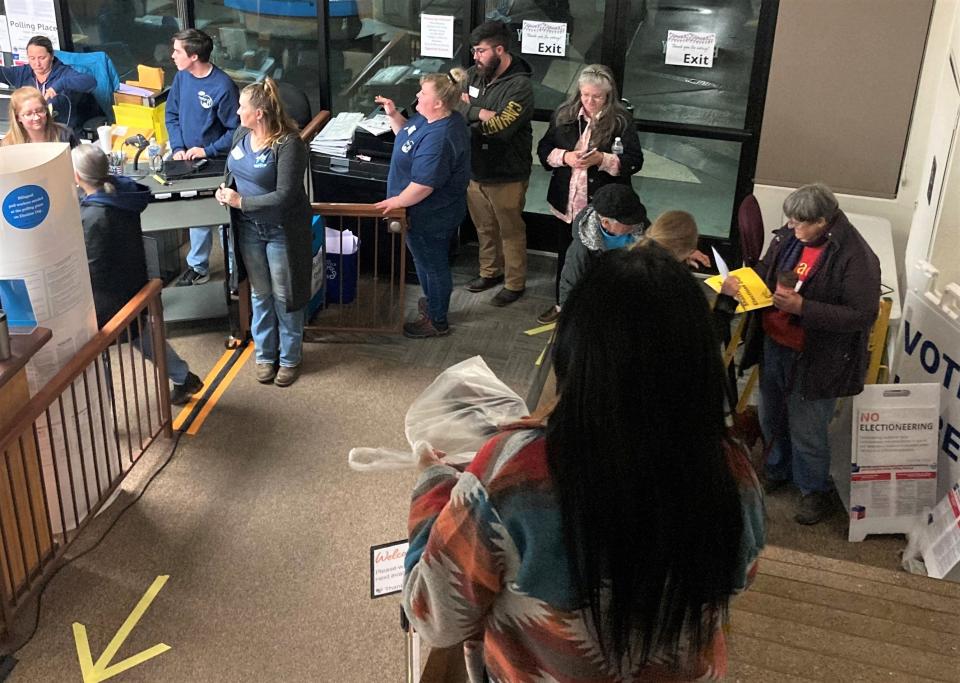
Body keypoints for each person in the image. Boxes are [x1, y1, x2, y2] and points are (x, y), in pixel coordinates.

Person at [402, 246, 765, 681]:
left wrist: (433, 486)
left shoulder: (512, 473)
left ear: (574, 351)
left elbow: (434, 616)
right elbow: (738, 579)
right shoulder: (733, 470)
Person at [721, 183, 880, 525]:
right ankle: (777, 468)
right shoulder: (789, 238)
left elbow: (862, 315)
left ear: (824, 221)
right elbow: (766, 269)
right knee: (771, 414)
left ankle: (813, 490)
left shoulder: (856, 256)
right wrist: (742, 283)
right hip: (774, 344)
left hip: (816, 357)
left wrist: (804, 307)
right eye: (789, 220)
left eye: (799, 222)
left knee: (808, 428)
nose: (791, 227)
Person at [71, 145, 204, 406]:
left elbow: (93, 267)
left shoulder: (94, 216)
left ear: (78, 176)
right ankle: (182, 376)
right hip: (133, 282)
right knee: (142, 336)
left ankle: (103, 413)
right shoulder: (120, 192)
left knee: (98, 355)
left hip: (107, 298)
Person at [215, 78, 311, 388]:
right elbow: (231, 171)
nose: (237, 111)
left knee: (286, 296)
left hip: (280, 230)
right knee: (261, 294)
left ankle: (289, 359)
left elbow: (284, 195)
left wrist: (241, 201)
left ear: (259, 113)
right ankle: (265, 355)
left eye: (243, 106)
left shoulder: (289, 144)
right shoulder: (242, 134)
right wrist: (224, 190)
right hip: (249, 229)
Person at [535, 64, 644, 324]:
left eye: (596, 96)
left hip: (602, 208)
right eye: (585, 94)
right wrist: (565, 156)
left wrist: (602, 159)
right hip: (569, 204)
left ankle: (600, 310)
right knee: (568, 257)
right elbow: (544, 149)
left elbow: (635, 161)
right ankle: (563, 305)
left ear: (608, 96)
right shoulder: (564, 114)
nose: (589, 101)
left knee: (603, 260)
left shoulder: (621, 121)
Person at [373, 72, 471, 339]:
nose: (417, 96)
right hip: (420, 212)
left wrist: (394, 202)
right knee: (426, 260)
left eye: (423, 93)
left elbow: (423, 186)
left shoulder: (440, 138)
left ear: (438, 102)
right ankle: (433, 303)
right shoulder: (429, 119)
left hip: (430, 215)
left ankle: (437, 320)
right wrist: (393, 115)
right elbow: (407, 139)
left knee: (432, 265)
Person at [461, 21, 534, 307]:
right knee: (484, 227)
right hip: (476, 169)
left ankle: (515, 283)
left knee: (510, 231)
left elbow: (502, 127)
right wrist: (481, 113)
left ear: (500, 50)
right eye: (474, 51)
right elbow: (456, 104)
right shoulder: (475, 75)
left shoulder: (521, 86)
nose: (475, 57)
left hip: (507, 173)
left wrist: (470, 111)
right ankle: (490, 272)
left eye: (481, 51)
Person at [166, 28, 241, 287]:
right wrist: (177, 147)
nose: (172, 55)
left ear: (194, 55)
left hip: (218, 162)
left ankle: (234, 271)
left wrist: (206, 150)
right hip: (186, 160)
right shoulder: (181, 78)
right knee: (196, 214)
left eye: (177, 51)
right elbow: (172, 115)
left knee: (223, 220)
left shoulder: (223, 87)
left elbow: (236, 130)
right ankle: (198, 267)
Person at [557, 183, 648, 312]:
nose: (636, 223)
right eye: (628, 222)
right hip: (598, 304)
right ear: (605, 223)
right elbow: (570, 284)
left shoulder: (643, 228)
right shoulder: (582, 247)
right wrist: (570, 317)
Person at [0, 35, 96, 131]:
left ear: (52, 56)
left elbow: (91, 82)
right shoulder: (22, 73)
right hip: (32, 133)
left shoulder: (63, 73)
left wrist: (61, 84)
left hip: (61, 132)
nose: (37, 63)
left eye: (42, 58)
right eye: (32, 58)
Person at [1, 86, 79, 147]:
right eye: (28, 114)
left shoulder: (65, 134)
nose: (36, 117)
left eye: (40, 111)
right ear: (18, 118)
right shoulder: (7, 144)